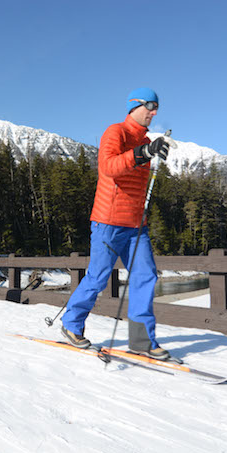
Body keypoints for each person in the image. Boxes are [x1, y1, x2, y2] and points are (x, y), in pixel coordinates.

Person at [60, 87, 173, 360]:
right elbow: (109, 167)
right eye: (149, 106)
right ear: (133, 106)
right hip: (108, 221)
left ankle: (142, 341)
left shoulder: (145, 139)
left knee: (146, 275)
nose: (154, 112)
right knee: (98, 278)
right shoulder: (116, 132)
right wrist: (144, 152)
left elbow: (138, 185)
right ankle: (71, 324)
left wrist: (149, 153)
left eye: (156, 107)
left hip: (136, 226)